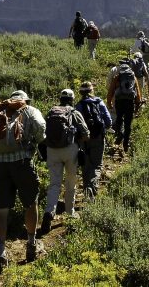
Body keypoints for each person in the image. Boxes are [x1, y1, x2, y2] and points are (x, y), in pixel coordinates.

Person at [0, 90, 46, 273]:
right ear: (24, 100)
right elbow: (40, 125)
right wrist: (35, 142)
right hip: (22, 162)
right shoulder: (28, 110)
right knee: (30, 202)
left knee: (1, 210)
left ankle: (1, 253)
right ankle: (31, 243)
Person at [41, 89, 89, 234]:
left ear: (60, 99)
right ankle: (70, 213)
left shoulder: (51, 112)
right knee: (70, 182)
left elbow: (43, 131)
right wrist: (78, 141)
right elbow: (86, 133)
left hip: (52, 150)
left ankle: (49, 212)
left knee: (54, 184)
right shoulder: (74, 112)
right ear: (72, 99)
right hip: (70, 150)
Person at [75, 82, 112, 201]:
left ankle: (87, 189)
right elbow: (108, 121)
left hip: (84, 139)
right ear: (92, 90)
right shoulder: (99, 102)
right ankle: (92, 188)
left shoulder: (79, 105)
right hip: (98, 137)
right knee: (97, 165)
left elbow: (75, 124)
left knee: (86, 165)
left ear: (80, 92)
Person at [106, 59, 143, 155]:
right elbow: (138, 92)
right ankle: (126, 144)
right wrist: (138, 102)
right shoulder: (133, 77)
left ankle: (120, 134)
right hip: (130, 102)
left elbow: (111, 91)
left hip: (119, 102)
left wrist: (109, 103)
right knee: (128, 123)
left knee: (119, 119)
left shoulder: (117, 77)